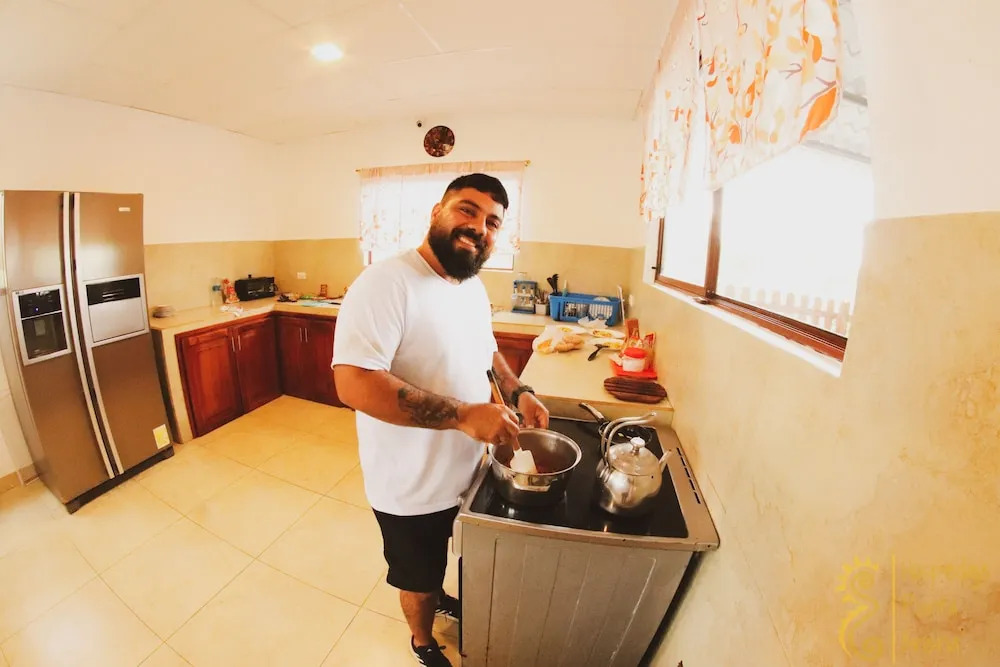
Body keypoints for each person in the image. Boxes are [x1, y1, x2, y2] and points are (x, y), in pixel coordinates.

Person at [331, 173, 549, 666]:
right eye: (467, 210)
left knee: (449, 556)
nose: (478, 227)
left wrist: (519, 391)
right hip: (410, 485)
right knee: (418, 575)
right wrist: (462, 415)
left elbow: (487, 351)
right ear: (437, 212)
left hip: (467, 472)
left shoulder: (470, 286)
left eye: (492, 222)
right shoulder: (386, 283)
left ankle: (438, 595)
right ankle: (422, 640)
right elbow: (354, 383)